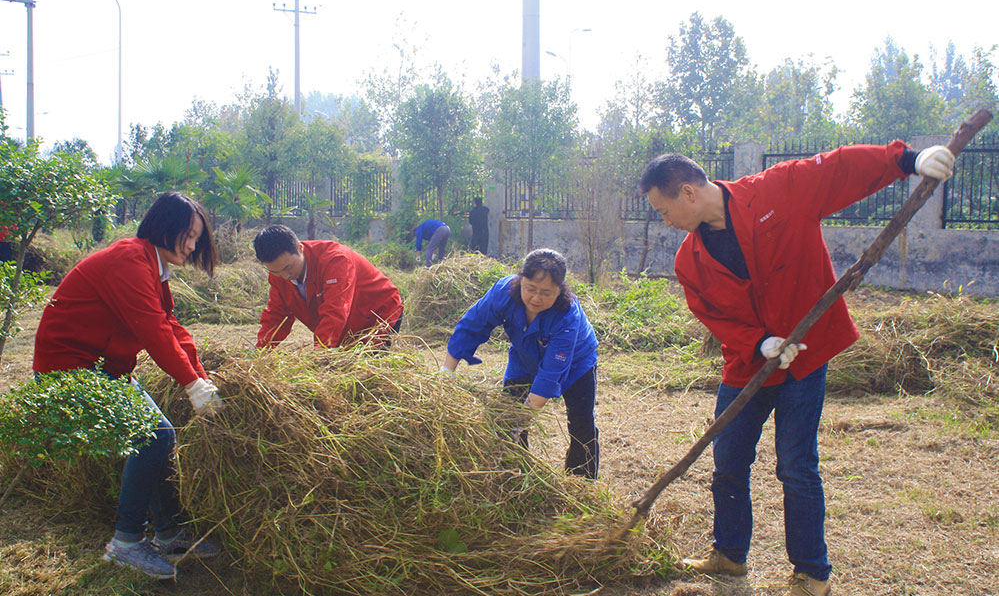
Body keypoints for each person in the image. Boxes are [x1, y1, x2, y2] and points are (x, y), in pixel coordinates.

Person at [638, 142, 956, 596]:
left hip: (803, 359)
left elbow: (837, 168)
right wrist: (758, 343)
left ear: (687, 192)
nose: (664, 220)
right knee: (728, 461)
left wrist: (907, 160)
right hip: (746, 367)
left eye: (663, 210)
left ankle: (811, 573)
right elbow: (713, 316)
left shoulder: (775, 192)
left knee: (796, 465)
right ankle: (729, 554)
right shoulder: (689, 261)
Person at [32, 191, 225, 580]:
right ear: (165, 227)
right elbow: (152, 330)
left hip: (106, 368)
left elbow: (170, 325)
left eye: (196, 238)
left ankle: (169, 534)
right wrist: (190, 385)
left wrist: (201, 377)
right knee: (155, 435)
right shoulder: (129, 261)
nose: (192, 246)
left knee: (160, 436)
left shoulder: (152, 266)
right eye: (188, 235)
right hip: (69, 369)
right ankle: (126, 543)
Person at [441, 248, 600, 479]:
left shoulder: (567, 317)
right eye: (530, 289)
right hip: (524, 357)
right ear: (520, 280)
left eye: (546, 293)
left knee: (581, 423)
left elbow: (550, 375)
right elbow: (471, 325)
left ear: (560, 290)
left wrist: (523, 420)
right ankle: (515, 477)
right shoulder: (504, 292)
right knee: (507, 417)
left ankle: (581, 482)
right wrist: (446, 373)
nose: (536, 298)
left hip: (577, 363)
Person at [254, 224, 403, 349]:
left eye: (288, 267)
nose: (285, 276)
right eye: (276, 271)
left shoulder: (335, 260)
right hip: (346, 328)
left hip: (378, 316)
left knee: (366, 368)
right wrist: (260, 351)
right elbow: (277, 315)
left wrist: (320, 352)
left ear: (300, 248)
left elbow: (335, 310)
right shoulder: (279, 275)